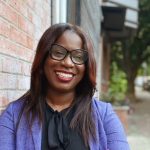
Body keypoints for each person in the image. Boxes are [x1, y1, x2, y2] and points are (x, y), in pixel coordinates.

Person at [0, 23, 130, 150]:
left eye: (78, 57)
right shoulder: (14, 116)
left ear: (86, 66)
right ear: (43, 58)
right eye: (58, 52)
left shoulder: (104, 115)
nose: (67, 63)